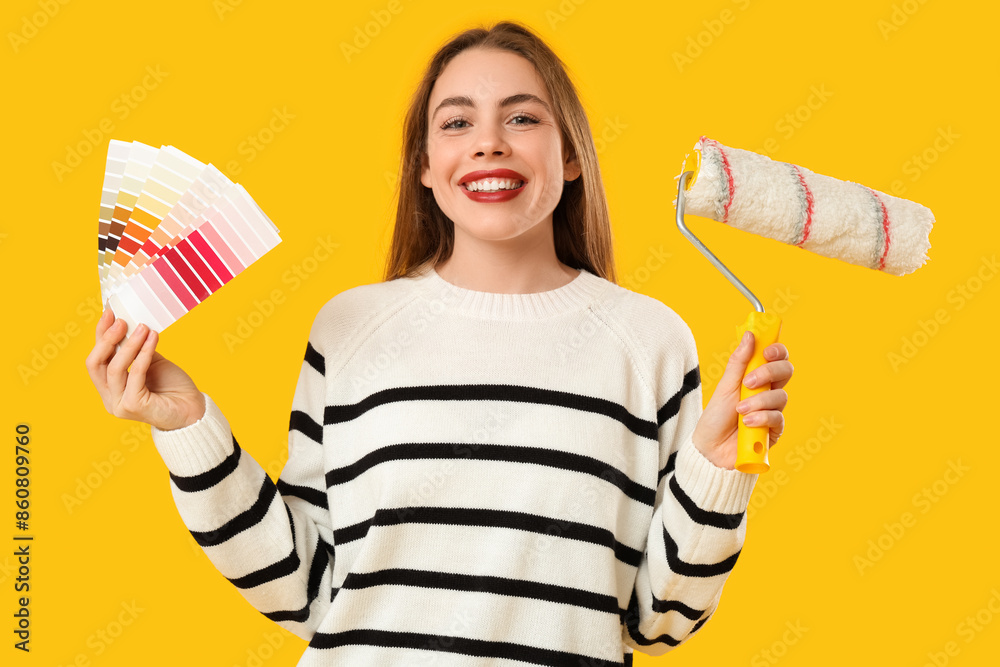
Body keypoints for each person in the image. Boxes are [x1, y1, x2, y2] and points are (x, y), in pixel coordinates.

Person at [85, 20, 793, 667]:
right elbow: (304, 589)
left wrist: (716, 471)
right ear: (424, 165)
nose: (489, 142)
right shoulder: (349, 328)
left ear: (572, 155)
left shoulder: (650, 343)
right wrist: (189, 427)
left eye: (522, 117)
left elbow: (657, 622)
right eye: (457, 122)